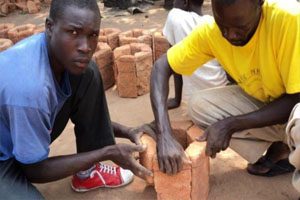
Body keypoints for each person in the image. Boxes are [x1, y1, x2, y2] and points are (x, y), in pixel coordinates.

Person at [0, 0, 152, 199]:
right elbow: (34, 170)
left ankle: (87, 173)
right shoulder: (30, 89)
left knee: (87, 74)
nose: (85, 47)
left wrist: (128, 131)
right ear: (49, 27)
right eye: (73, 33)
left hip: (17, 131)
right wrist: (106, 152)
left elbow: (88, 118)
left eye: (93, 35)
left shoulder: (55, 55)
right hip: (5, 158)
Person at [150, 0, 300, 191]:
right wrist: (164, 134)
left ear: (259, 4)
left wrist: (232, 124)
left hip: (296, 105)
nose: (230, 35)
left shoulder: (290, 19)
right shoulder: (213, 32)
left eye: (240, 27)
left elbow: (297, 98)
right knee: (199, 106)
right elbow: (161, 67)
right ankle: (284, 148)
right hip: (273, 103)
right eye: (223, 27)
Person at [163, 0, 229, 109]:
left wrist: (176, 100)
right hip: (223, 91)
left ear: (185, 2)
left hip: (196, 102)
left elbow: (173, 64)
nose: (173, 2)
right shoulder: (212, 23)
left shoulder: (175, 16)